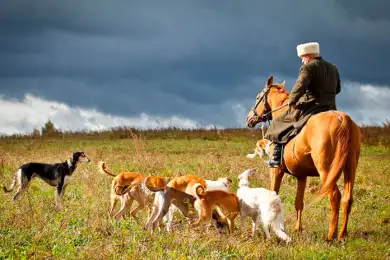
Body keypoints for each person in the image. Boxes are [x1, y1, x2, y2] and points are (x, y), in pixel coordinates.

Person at [264, 42, 341, 167]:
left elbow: (300, 85)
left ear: (308, 56)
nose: (302, 61)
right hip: (331, 108)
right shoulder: (333, 68)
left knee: (278, 122)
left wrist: (292, 101)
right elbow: (337, 89)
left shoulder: (308, 67)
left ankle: (276, 157)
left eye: (302, 58)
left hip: (312, 108)